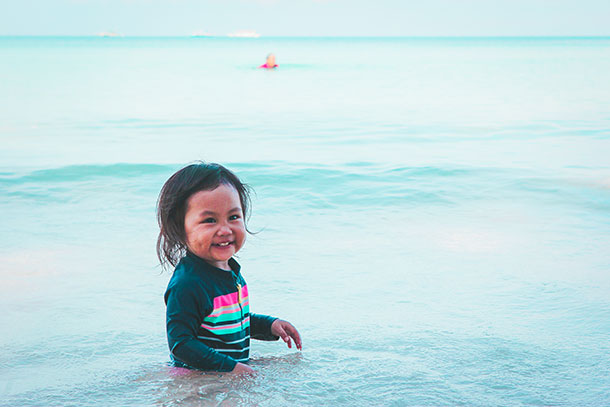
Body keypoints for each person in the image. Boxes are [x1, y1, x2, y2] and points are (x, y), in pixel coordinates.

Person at [157, 162, 302, 374]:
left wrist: (270, 326)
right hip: (197, 380)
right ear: (180, 228)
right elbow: (181, 344)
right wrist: (230, 368)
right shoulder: (187, 284)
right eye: (210, 220)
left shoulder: (230, 272)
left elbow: (230, 322)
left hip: (223, 374)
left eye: (233, 217)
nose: (225, 230)